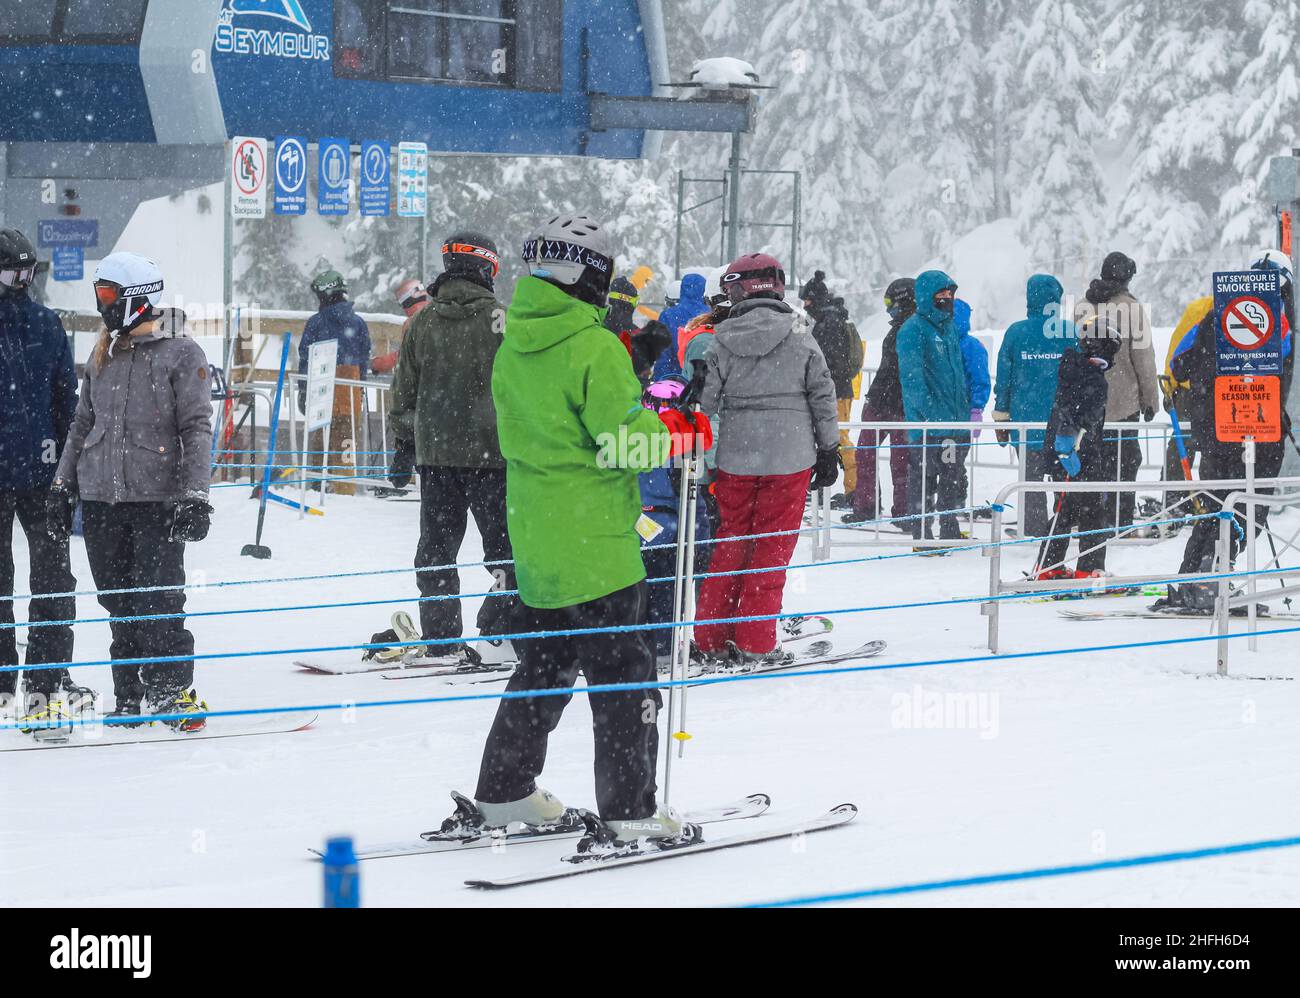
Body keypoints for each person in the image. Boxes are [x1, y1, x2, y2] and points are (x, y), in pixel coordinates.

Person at [459, 213, 710, 845]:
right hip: (598, 543)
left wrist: (638, 409)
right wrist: (673, 427)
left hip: (539, 536)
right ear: (588, 277)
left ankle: (504, 790)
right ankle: (630, 810)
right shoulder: (595, 346)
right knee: (624, 681)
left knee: (542, 670)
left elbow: (565, 430)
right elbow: (622, 443)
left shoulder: (515, 342)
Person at [48, 252, 212, 729]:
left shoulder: (182, 353)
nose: (103, 306)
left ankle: (170, 691)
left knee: (159, 599)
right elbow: (82, 425)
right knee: (117, 599)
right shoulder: (105, 353)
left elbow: (197, 428)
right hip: (102, 499)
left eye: (109, 296)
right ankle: (130, 693)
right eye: (99, 296)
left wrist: (195, 495)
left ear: (137, 299)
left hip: (155, 500)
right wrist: (64, 485)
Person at [693, 253, 839, 665]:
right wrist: (829, 449)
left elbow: (704, 402)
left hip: (737, 457)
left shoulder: (721, 337)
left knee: (731, 543)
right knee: (770, 549)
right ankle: (756, 641)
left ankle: (711, 637)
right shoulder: (800, 332)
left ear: (738, 288)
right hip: (790, 455)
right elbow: (822, 394)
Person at [386, 231, 518, 666]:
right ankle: (498, 630)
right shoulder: (503, 321)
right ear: (487, 269)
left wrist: (409, 443)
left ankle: (441, 636)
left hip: (437, 460)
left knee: (437, 550)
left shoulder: (422, 322)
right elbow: (525, 394)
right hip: (494, 459)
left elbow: (402, 397)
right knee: (504, 552)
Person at [1154, 252, 1295, 613]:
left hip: (1217, 427)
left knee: (1217, 501)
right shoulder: (1277, 321)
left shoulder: (1214, 315)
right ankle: (1213, 576)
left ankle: (1194, 577)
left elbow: (1178, 363)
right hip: (1258, 431)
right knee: (1248, 507)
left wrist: (1210, 378)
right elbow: (1278, 368)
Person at [0, 228, 91, 730]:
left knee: (51, 580)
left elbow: (66, 401)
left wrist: (69, 471)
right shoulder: (44, 323)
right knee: (34, 580)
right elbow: (66, 402)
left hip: (42, 470)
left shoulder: (46, 324)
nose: (23, 281)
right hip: (38, 466)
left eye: (28, 271)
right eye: (16, 271)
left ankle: (43, 684)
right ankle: (26, 684)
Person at [1075, 251, 1158, 532]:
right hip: (1123, 402)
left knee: (1089, 461)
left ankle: (1089, 518)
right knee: (1125, 461)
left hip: (1086, 404)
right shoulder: (1132, 309)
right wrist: (1150, 399)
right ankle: (1119, 520)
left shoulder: (1082, 307)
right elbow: (1144, 358)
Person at [1034, 316, 1122, 580]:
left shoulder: (1076, 370)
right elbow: (1070, 413)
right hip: (1079, 456)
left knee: (1067, 509)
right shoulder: (1091, 379)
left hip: (1073, 454)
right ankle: (1089, 569)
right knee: (1092, 511)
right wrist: (1065, 448)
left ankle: (1050, 566)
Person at [637, 376, 712, 666]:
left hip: (642, 524)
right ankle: (664, 647)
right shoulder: (682, 444)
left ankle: (645, 641)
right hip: (673, 528)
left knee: (645, 587)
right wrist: (703, 544)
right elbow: (692, 502)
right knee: (669, 588)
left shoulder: (639, 439)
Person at [992, 275, 1071, 539]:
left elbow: (1004, 378)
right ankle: (1064, 525)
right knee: (1064, 478)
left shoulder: (1016, 332)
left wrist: (1001, 417)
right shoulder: (1068, 332)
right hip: (1063, 424)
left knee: (1031, 480)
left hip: (1026, 425)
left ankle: (1034, 529)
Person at [897, 270, 970, 542]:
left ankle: (949, 530)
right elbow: (912, 381)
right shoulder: (912, 330)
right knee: (924, 481)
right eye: (941, 295)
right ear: (927, 297)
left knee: (952, 481)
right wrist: (931, 416)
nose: (947, 299)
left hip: (955, 423)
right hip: (929, 427)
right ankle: (922, 534)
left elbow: (956, 375)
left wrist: (963, 413)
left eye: (950, 295)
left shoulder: (949, 327)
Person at [298, 269, 372, 495]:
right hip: (349, 393)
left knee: (321, 441)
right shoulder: (358, 323)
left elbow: (305, 359)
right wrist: (359, 390)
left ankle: (317, 485)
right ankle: (344, 488)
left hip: (322, 390)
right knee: (346, 444)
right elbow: (363, 359)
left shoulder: (316, 323)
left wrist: (303, 391)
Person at [848, 278, 913, 523]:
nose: (887, 308)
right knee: (865, 454)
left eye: (890, 302)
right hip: (881, 402)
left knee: (901, 461)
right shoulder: (898, 328)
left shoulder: (912, 330)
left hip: (899, 406)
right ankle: (867, 505)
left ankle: (904, 510)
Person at [811, 295, 865, 508]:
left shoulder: (826, 326)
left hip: (830, 392)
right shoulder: (842, 323)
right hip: (842, 389)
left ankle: (854, 489)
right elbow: (853, 362)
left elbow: (818, 360)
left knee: (838, 438)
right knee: (839, 436)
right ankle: (852, 488)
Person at [953, 297, 989, 506]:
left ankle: (954, 501)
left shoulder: (971, 347)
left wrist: (976, 408)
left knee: (953, 462)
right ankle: (951, 502)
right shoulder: (942, 343)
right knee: (949, 462)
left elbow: (980, 379)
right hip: (946, 414)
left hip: (961, 415)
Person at [651, 271, 709, 380]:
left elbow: (663, 356)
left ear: (682, 290)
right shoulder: (711, 315)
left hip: (675, 381)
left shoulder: (668, 316)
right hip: (705, 382)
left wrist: (661, 382)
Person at [371, 277, 429, 375]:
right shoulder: (437, 313)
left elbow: (405, 355)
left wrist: (377, 364)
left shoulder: (413, 322)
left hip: (423, 381)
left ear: (406, 301)